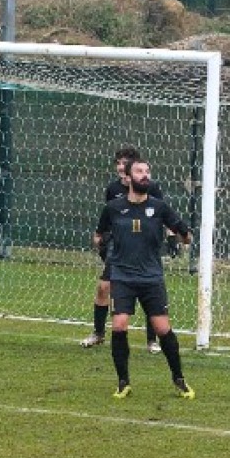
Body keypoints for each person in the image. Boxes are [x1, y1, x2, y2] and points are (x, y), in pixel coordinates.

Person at [93, 156, 194, 399]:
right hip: (123, 276)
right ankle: (123, 382)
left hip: (151, 277)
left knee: (162, 328)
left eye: (147, 171)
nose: (145, 175)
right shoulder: (113, 208)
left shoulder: (159, 207)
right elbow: (98, 235)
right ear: (127, 178)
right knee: (119, 324)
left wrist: (183, 238)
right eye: (139, 171)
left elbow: (185, 234)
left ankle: (179, 379)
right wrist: (107, 251)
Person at [81, 146, 166, 353]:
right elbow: (109, 218)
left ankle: (151, 341)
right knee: (103, 287)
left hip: (145, 248)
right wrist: (104, 243)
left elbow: (162, 215)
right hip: (118, 248)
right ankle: (98, 333)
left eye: (124, 163)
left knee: (148, 289)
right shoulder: (112, 189)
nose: (120, 167)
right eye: (118, 163)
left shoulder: (151, 188)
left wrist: (170, 237)